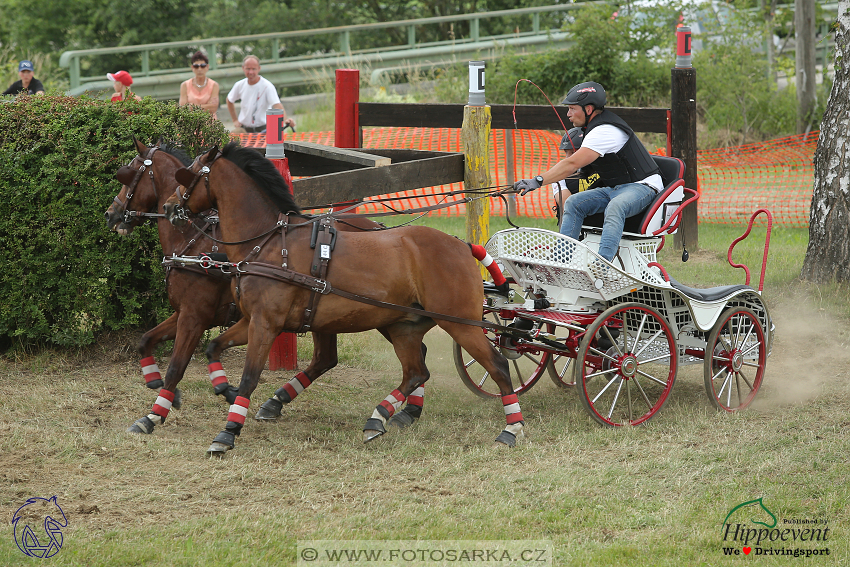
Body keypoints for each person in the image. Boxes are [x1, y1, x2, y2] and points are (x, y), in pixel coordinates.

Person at [513, 81, 662, 263]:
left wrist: (537, 180)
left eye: (572, 109)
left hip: (642, 186)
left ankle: (603, 264)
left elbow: (572, 163)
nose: (568, 114)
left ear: (589, 109)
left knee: (615, 206)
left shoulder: (604, 131)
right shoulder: (592, 129)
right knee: (574, 203)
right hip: (614, 188)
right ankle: (561, 262)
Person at [226, 55, 295, 133]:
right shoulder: (239, 85)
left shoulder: (267, 86)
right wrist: (235, 120)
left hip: (263, 129)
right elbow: (229, 100)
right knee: (233, 137)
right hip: (244, 129)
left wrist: (285, 120)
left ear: (259, 69)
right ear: (243, 68)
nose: (250, 72)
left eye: (253, 69)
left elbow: (277, 105)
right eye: (248, 69)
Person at [550, 127, 600, 226]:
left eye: (573, 152)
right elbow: (567, 205)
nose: (568, 158)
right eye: (566, 152)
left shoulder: (605, 168)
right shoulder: (560, 174)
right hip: (577, 225)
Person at [179, 51, 220, 118]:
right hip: (191, 122)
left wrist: (192, 106)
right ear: (192, 67)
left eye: (203, 66)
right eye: (196, 66)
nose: (199, 69)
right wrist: (206, 106)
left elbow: (213, 108)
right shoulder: (185, 85)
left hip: (210, 123)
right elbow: (183, 108)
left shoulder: (214, 85)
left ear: (207, 67)